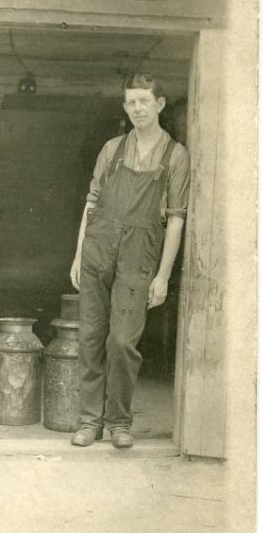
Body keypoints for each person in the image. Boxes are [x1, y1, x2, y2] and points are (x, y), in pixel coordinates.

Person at [70, 73, 190, 449]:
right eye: (131, 102)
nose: (137, 108)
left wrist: (163, 275)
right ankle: (89, 422)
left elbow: (176, 218)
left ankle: (119, 422)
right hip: (98, 248)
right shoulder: (112, 149)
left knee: (121, 341)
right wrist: (78, 255)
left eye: (143, 101)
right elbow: (90, 204)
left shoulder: (175, 156)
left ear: (160, 104)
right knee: (90, 337)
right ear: (125, 107)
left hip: (139, 256)